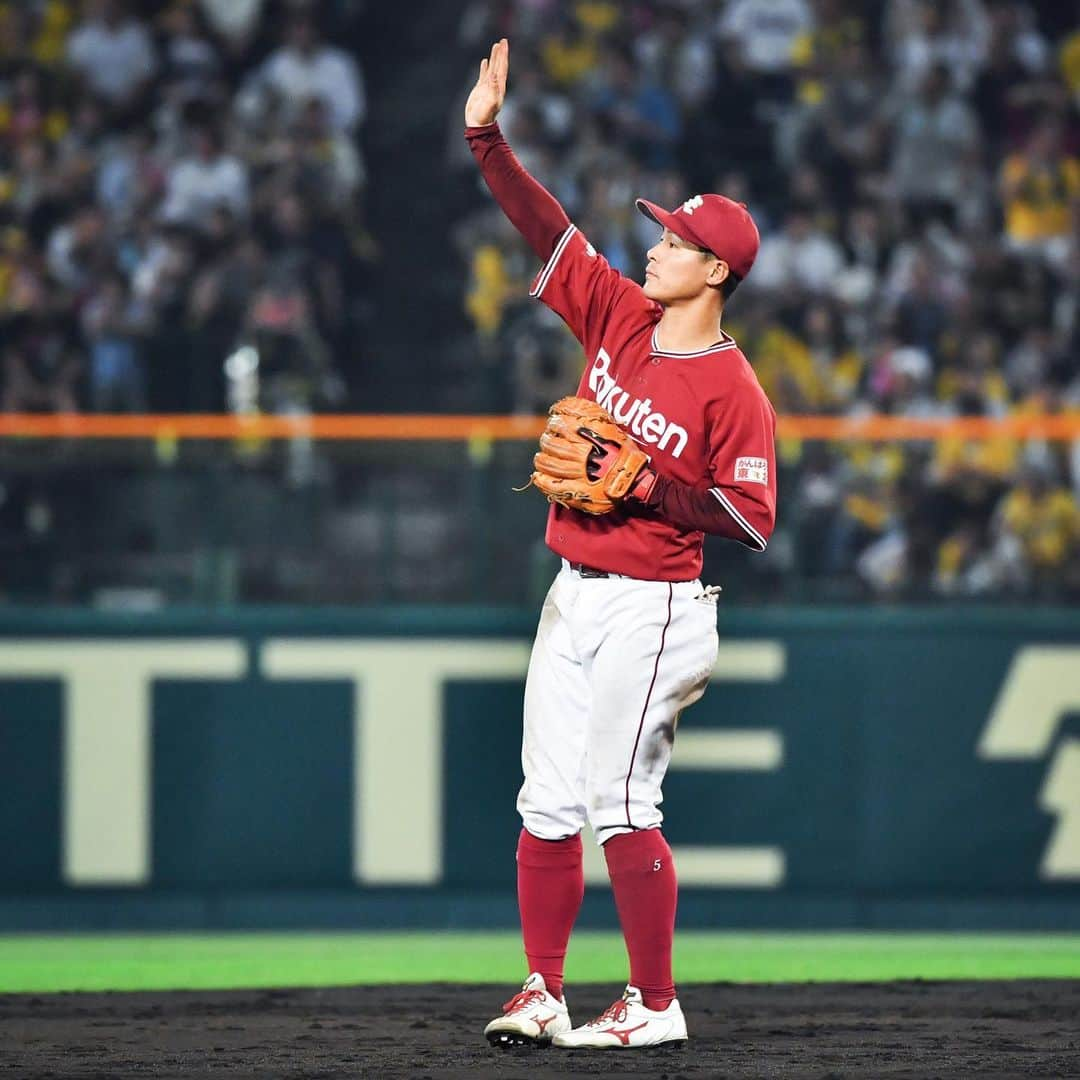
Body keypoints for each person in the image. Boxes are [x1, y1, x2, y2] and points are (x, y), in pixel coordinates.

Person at [465, 40, 778, 1050]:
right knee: (546, 799)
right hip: (575, 588)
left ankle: (655, 1003)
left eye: (676, 242)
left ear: (717, 270)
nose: (656, 247)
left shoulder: (736, 391)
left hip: (659, 604)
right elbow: (545, 229)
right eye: (661, 235)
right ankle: (543, 989)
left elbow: (749, 518)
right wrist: (486, 138)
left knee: (618, 799)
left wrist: (649, 481)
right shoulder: (619, 316)